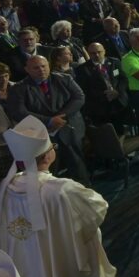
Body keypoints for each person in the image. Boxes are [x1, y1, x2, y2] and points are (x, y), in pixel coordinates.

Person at [0, 115, 115, 277]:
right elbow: (98, 208)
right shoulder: (61, 189)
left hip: (25, 259)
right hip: (61, 256)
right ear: (48, 155)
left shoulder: (5, 188)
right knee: (80, 274)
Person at [7, 55, 90, 184]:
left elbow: (79, 97)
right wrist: (49, 121)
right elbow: (19, 112)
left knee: (77, 163)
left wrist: (60, 117)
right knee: (51, 169)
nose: (41, 70)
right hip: (42, 133)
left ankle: (84, 191)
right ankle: (53, 197)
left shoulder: (64, 79)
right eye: (36, 67)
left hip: (69, 126)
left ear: (49, 66)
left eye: (43, 66)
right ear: (27, 69)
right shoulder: (19, 88)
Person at [74, 42, 131, 132]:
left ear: (104, 51)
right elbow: (85, 89)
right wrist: (106, 94)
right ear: (88, 54)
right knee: (105, 134)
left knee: (120, 131)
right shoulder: (82, 69)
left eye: (99, 52)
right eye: (93, 53)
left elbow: (123, 79)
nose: (96, 55)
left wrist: (117, 91)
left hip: (119, 103)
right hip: (99, 108)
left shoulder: (114, 62)